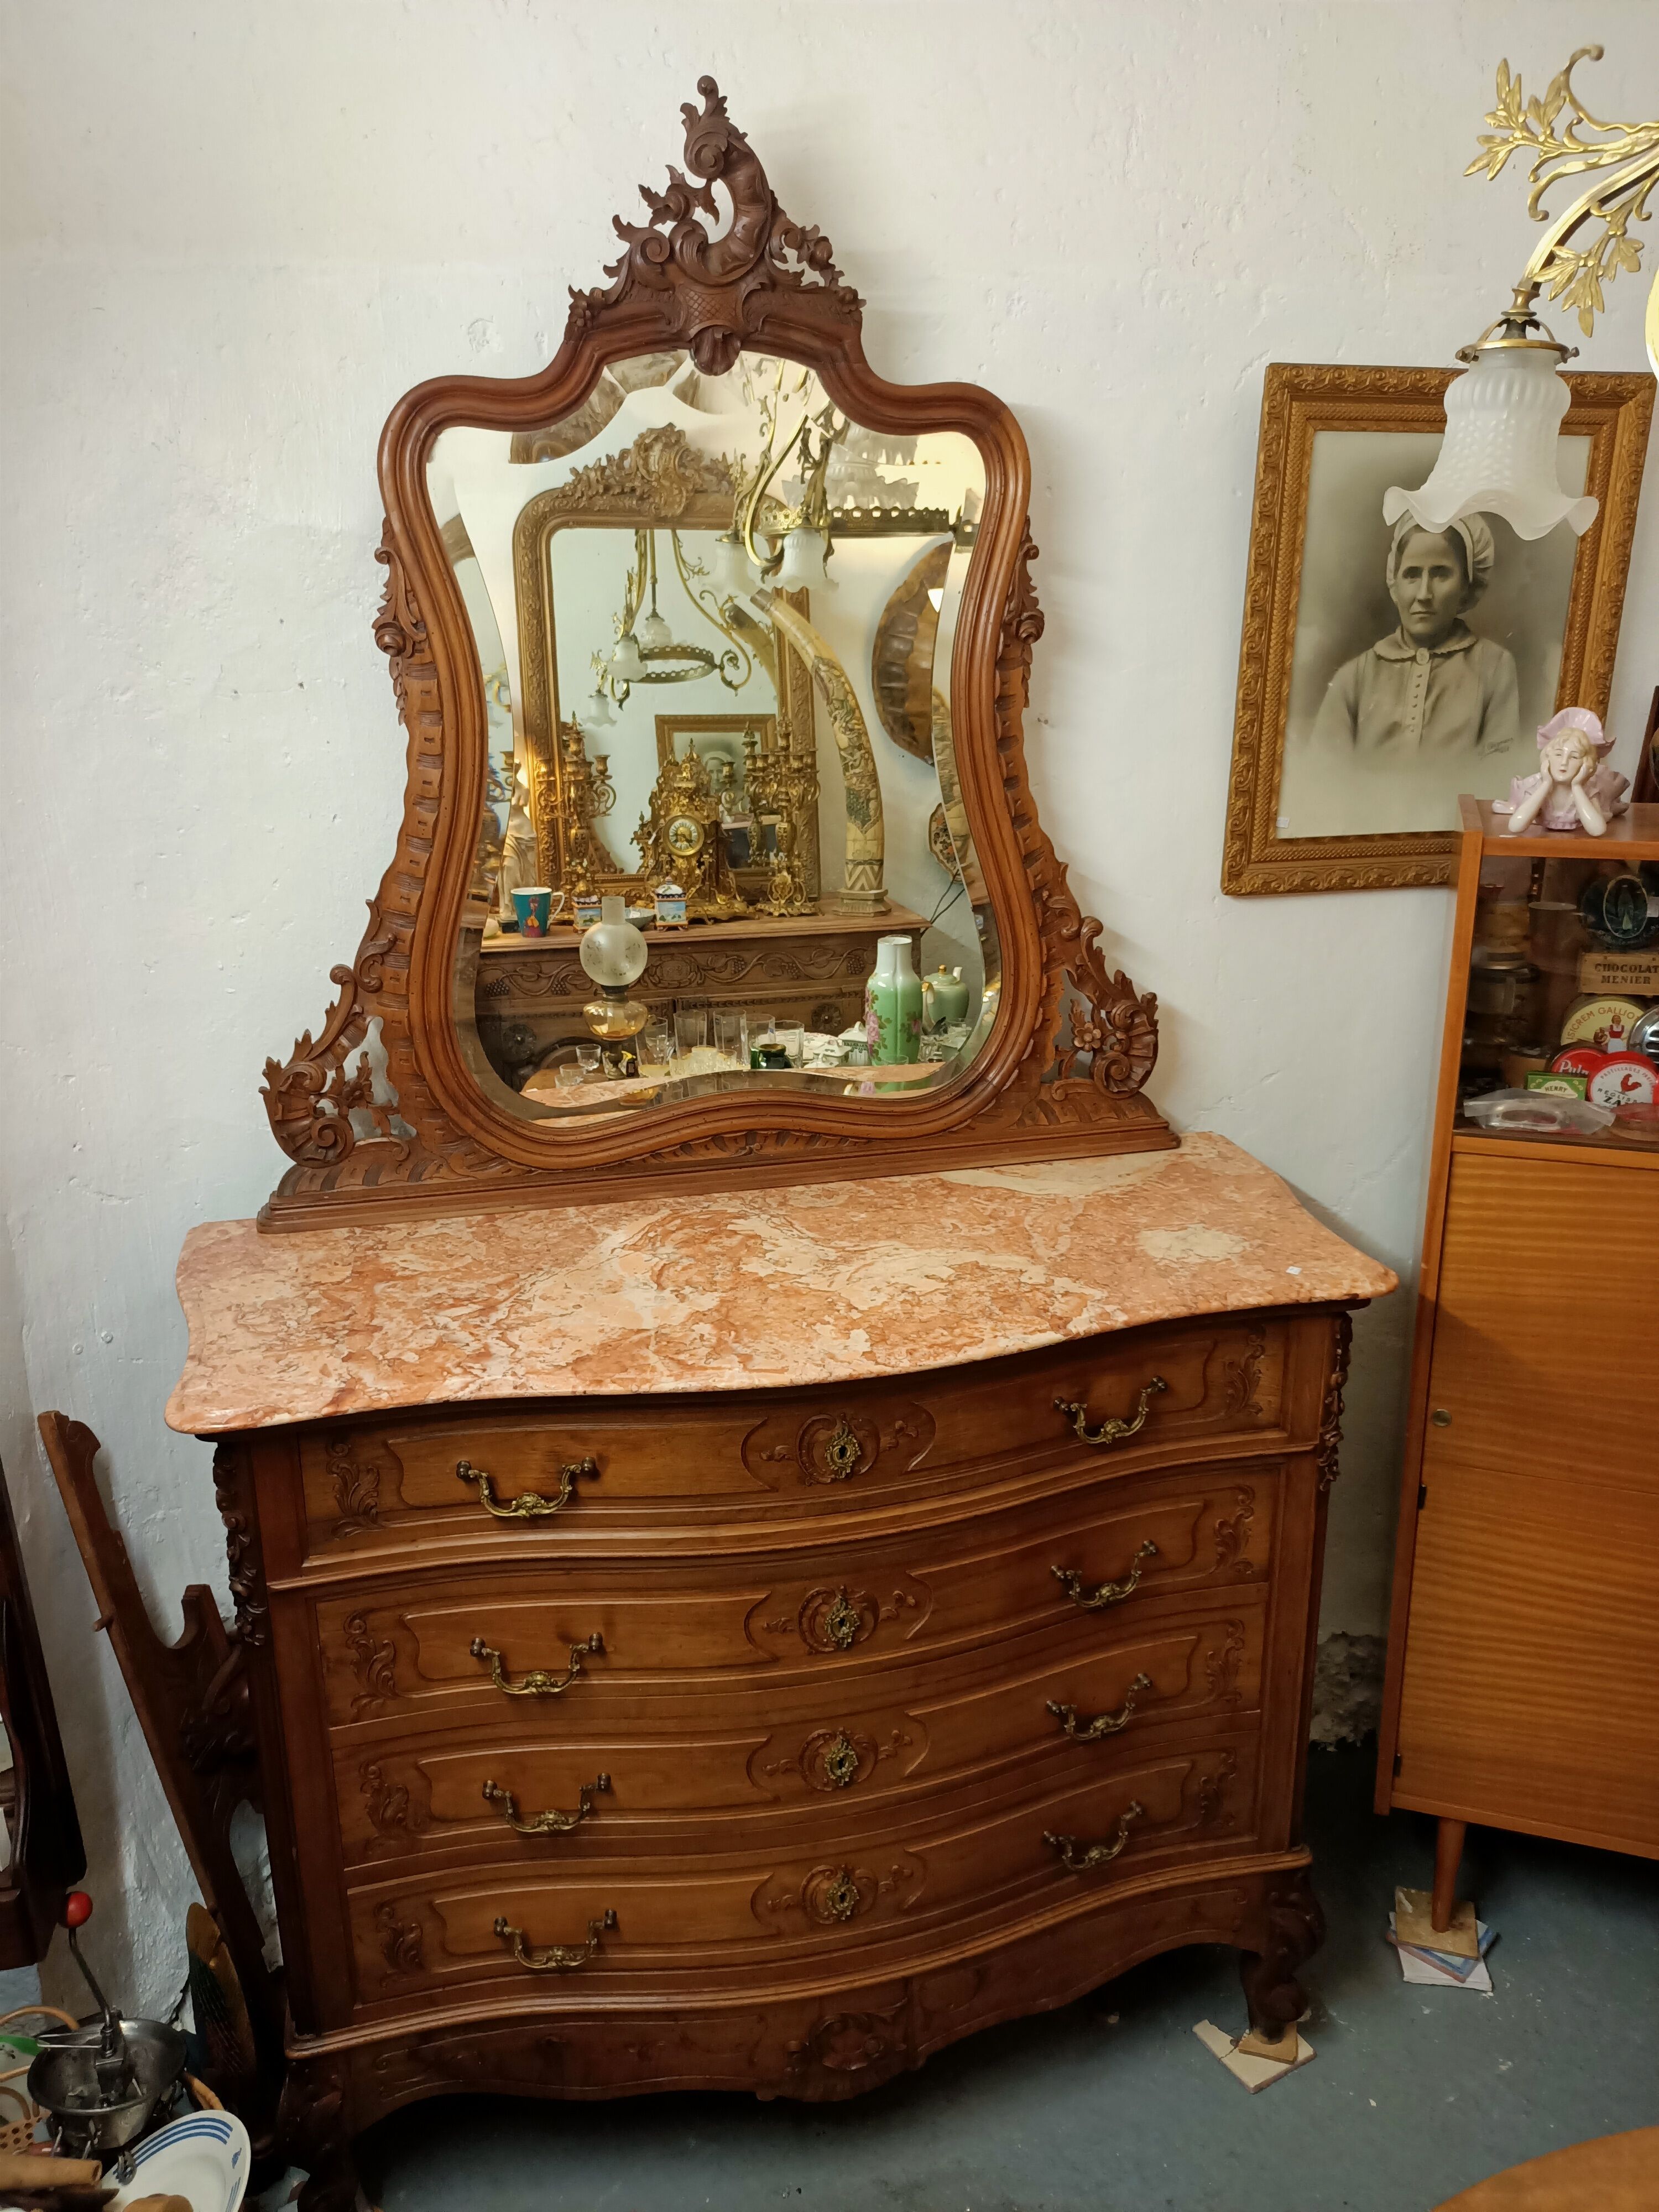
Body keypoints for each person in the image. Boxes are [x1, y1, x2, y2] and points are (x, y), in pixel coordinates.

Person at [1312, 513, 1520, 763]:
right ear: (1395, 583)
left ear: (1467, 586)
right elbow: (1324, 778)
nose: (1423, 594)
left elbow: (1498, 774)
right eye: (1412, 574)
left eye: (1441, 574)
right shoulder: (1354, 678)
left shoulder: (1494, 668)